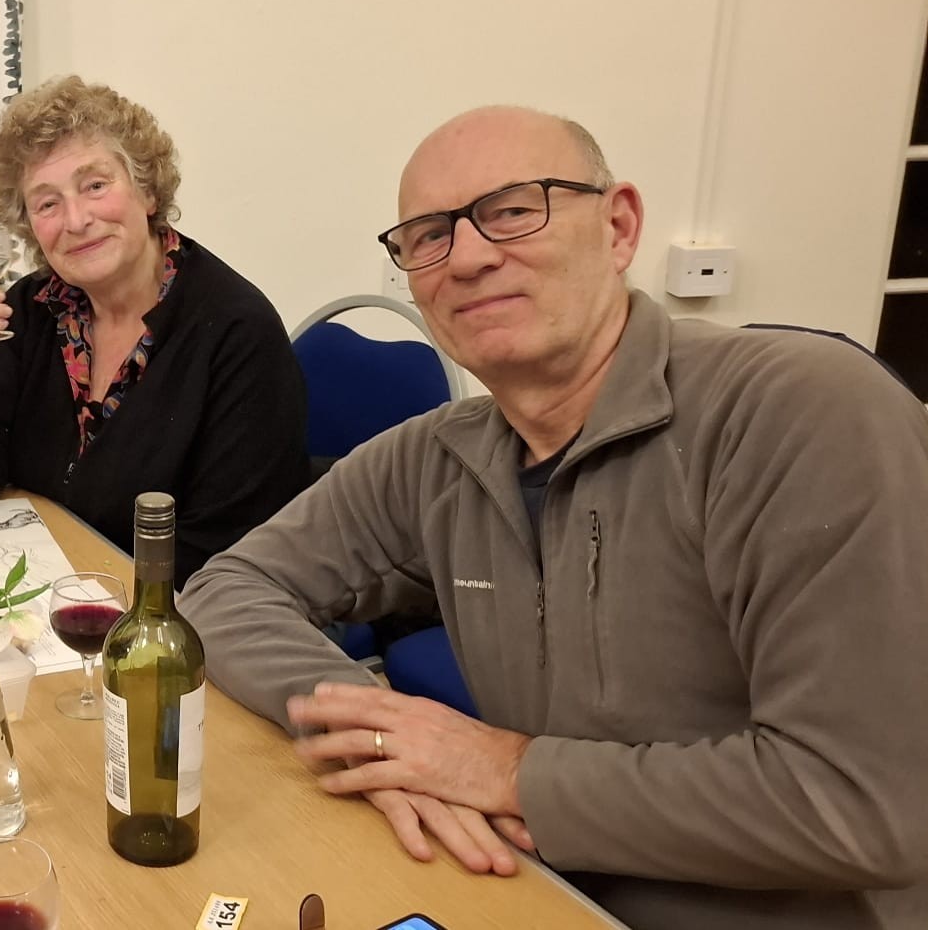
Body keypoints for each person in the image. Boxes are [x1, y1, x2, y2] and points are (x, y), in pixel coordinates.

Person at [182, 106, 928, 929]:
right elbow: (225, 590)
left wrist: (508, 772)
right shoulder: (434, 456)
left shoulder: (806, 413)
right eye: (429, 236)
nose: (468, 256)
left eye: (513, 209)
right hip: (527, 892)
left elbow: (863, 806)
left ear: (619, 226)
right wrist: (379, 736)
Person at [0, 76, 310, 586]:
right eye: (47, 203)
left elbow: (226, 555)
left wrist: (72, 592)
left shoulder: (236, 331)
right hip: (50, 584)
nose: (76, 220)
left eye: (95, 185)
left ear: (147, 191)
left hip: (169, 608)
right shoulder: (33, 308)